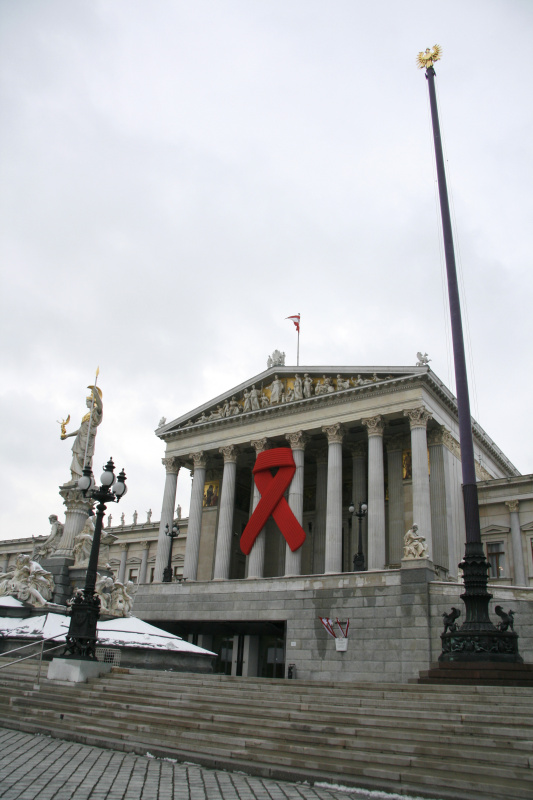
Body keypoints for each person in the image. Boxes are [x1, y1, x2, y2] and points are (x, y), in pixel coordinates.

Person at [61, 385, 103, 482]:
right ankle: (77, 478)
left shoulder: (95, 413)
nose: (86, 404)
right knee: (77, 458)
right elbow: (80, 430)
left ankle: (86, 478)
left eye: (87, 402)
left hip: (87, 440)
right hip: (80, 440)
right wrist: (67, 435)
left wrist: (96, 394)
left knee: (83, 458)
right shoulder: (86, 416)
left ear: (92, 402)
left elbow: (100, 406)